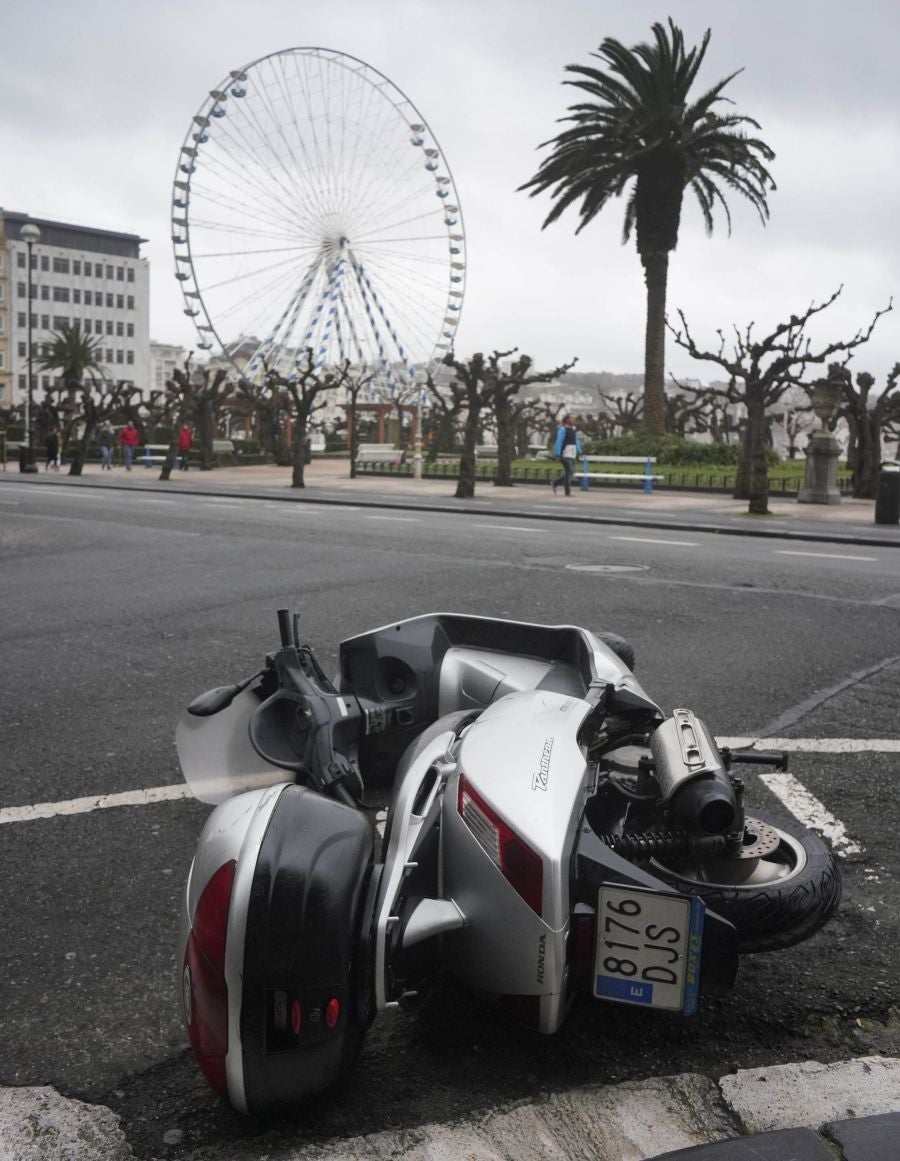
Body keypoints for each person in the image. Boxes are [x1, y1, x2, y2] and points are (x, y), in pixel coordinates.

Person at [552, 415, 583, 496]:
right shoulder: (563, 429)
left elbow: (576, 441)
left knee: (570, 472)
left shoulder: (573, 429)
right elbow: (559, 441)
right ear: (567, 419)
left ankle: (555, 483)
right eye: (572, 418)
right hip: (565, 453)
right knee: (569, 471)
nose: (574, 420)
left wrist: (579, 451)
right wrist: (558, 454)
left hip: (572, 453)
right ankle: (567, 492)